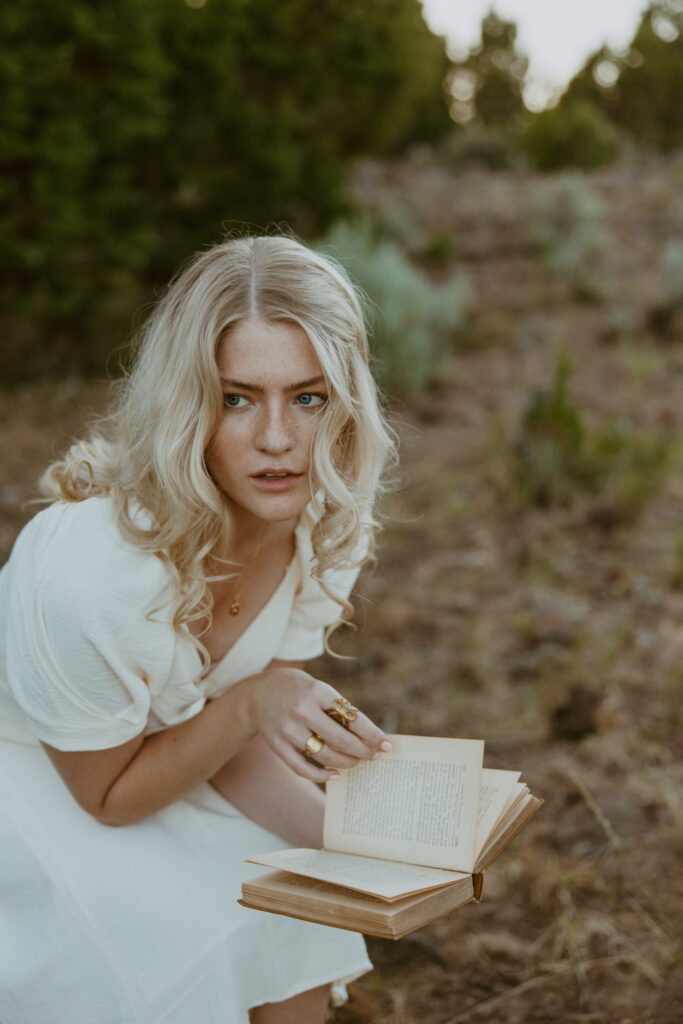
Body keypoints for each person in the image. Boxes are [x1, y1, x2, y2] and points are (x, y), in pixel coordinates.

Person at [0, 235, 397, 1024]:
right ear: (187, 403)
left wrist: (364, 851)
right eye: (236, 398)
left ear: (346, 403)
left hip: (173, 760)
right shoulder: (98, 576)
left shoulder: (326, 523)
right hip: (42, 780)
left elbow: (238, 742)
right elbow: (108, 798)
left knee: (304, 901)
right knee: (176, 937)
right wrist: (256, 705)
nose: (278, 439)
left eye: (308, 398)